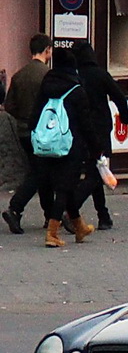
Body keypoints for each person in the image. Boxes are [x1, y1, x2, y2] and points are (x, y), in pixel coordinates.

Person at [32, 47, 103, 248]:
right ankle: (52, 233)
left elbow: (36, 113)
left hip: (49, 143)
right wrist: (96, 148)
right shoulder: (77, 90)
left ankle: (79, 227)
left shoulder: (46, 85)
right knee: (64, 188)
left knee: (67, 187)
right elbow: (86, 123)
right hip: (71, 145)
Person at [73, 41, 128, 229]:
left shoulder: (75, 76)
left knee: (94, 169)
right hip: (100, 128)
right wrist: (125, 117)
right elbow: (119, 96)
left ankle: (103, 216)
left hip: (81, 129)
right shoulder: (100, 74)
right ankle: (71, 208)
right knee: (96, 173)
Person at [2, 34, 54, 235]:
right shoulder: (47, 75)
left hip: (23, 131)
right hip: (44, 133)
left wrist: (23, 117)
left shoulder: (19, 75)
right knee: (40, 173)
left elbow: (9, 105)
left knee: (42, 171)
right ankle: (15, 208)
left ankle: (50, 215)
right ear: (47, 49)